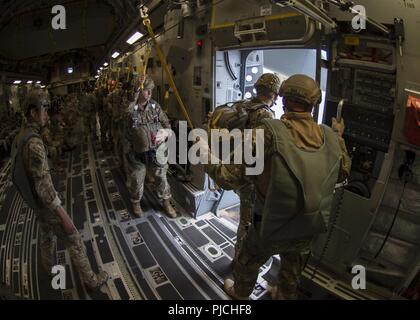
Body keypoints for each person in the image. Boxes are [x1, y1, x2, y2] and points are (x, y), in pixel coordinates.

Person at [204, 74, 351, 299]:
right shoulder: (330, 136)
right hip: (309, 225)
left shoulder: (266, 132)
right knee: (292, 267)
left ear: (282, 99)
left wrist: (205, 152)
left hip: (271, 227)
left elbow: (226, 178)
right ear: (314, 104)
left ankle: (240, 293)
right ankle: (282, 294)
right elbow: (343, 173)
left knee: (248, 260)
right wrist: (339, 136)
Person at [10, 90, 109, 290]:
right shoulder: (34, 143)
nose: (46, 113)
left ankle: (49, 270)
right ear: (32, 112)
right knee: (73, 238)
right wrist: (62, 213)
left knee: (46, 237)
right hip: (46, 204)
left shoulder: (22, 135)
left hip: (36, 203)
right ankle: (91, 281)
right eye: (43, 109)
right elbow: (43, 184)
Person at [210, 73, 281, 267]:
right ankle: (239, 259)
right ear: (274, 94)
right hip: (251, 178)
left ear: (257, 89)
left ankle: (239, 255)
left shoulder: (242, 104)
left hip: (234, 167)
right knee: (247, 222)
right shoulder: (266, 115)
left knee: (245, 216)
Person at [123, 75, 177, 218]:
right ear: (139, 91)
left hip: (156, 150)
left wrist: (166, 132)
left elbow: (167, 125)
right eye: (146, 90)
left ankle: (166, 202)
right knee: (136, 179)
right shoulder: (131, 109)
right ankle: (136, 202)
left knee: (162, 177)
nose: (149, 93)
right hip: (136, 152)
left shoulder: (155, 107)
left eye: (150, 90)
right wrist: (136, 88)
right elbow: (127, 109)